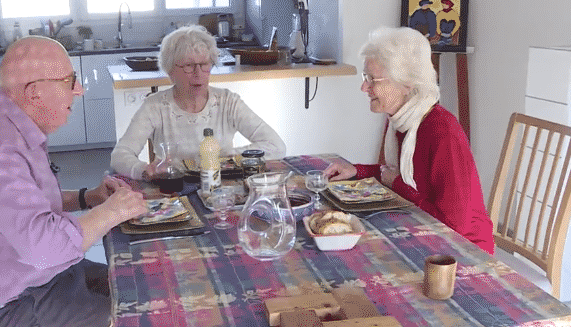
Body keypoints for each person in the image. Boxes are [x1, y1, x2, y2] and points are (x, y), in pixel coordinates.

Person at [0, 36, 148, 327]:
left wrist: (87, 197)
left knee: (145, 285)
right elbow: (44, 247)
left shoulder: (6, 127)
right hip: (5, 314)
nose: (78, 90)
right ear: (35, 91)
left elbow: (25, 208)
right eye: (69, 82)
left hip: (30, 286)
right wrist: (110, 212)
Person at [323, 27, 494, 254]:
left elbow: (454, 226)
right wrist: (357, 170)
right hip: (425, 235)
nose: (364, 87)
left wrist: (398, 186)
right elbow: (399, 175)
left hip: (462, 254)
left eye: (372, 79)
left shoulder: (442, 132)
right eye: (366, 78)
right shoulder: (401, 119)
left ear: (406, 84)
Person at [110, 24, 286, 180]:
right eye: (188, 65)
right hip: (174, 189)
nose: (198, 73)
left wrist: (225, 157)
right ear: (170, 71)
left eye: (204, 64)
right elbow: (120, 155)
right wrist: (144, 170)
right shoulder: (155, 106)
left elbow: (276, 146)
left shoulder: (227, 101)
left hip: (220, 188)